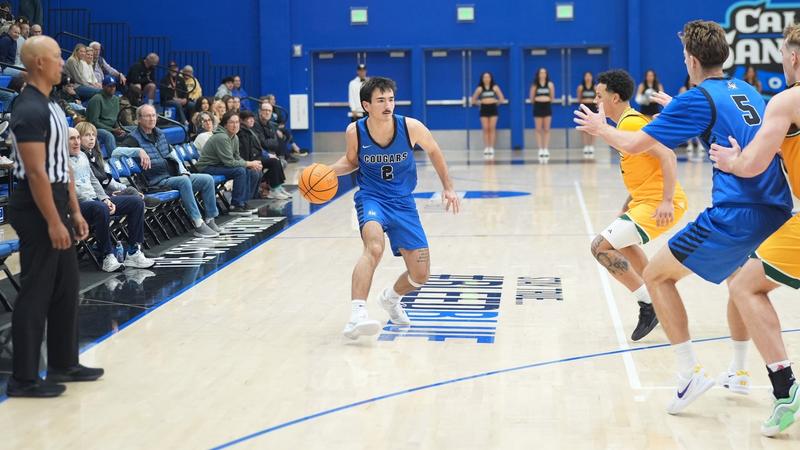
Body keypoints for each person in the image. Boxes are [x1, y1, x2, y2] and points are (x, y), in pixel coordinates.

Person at [575, 20, 793, 415]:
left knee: (658, 276)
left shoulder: (699, 97)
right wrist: (678, 108)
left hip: (735, 212)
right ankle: (740, 372)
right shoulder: (746, 90)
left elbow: (636, 143)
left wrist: (602, 128)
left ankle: (688, 374)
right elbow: (730, 121)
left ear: (691, 60)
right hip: (778, 207)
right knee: (740, 281)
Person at [708, 22, 800, 437]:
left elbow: (752, 164)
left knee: (745, 286)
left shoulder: (786, 101)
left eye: (783, 52)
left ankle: (786, 391)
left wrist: (732, 163)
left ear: (793, 56)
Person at [6, 35, 103, 398]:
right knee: (36, 289)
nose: (62, 62)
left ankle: (65, 362)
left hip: (58, 199)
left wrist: (74, 210)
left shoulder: (52, 106)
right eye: (55, 57)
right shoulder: (28, 109)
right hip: (35, 206)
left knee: (65, 288)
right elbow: (36, 174)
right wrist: (52, 220)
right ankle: (24, 378)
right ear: (39, 64)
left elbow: (63, 168)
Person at [329, 76, 460, 339]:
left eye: (390, 99)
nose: (387, 105)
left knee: (421, 274)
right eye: (380, 100)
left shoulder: (410, 126)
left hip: (403, 202)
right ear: (367, 105)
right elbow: (352, 161)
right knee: (374, 247)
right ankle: (357, 315)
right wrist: (327, 172)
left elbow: (434, 151)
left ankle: (390, 298)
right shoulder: (355, 130)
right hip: (372, 198)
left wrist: (448, 187)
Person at [589, 69, 688, 341]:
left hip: (661, 202)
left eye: (600, 96)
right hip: (644, 200)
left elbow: (668, 157)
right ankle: (656, 296)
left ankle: (648, 303)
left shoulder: (630, 124)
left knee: (600, 246)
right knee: (619, 243)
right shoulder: (625, 125)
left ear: (616, 98)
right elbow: (644, 172)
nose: (596, 102)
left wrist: (667, 200)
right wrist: (626, 206)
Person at [116, 104, 221, 238]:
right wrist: (138, 151)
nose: (152, 118)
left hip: (173, 176)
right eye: (147, 116)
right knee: (183, 182)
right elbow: (115, 152)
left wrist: (184, 171)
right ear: (139, 120)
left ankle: (210, 219)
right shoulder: (133, 138)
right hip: (155, 182)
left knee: (207, 179)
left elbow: (173, 155)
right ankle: (198, 223)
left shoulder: (159, 134)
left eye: (154, 115)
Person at [67, 127, 155, 272]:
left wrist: (105, 198)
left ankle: (133, 252)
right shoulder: (58, 162)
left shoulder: (82, 156)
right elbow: (70, 191)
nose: (76, 142)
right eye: (72, 139)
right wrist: (101, 203)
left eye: (77, 138)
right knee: (100, 208)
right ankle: (107, 256)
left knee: (136, 202)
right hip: (77, 206)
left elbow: (94, 181)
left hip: (95, 201)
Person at [197, 111, 261, 214]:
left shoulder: (234, 137)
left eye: (237, 122)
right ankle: (236, 205)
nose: (235, 125)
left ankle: (243, 202)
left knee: (246, 169)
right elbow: (229, 162)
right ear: (225, 124)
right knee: (240, 171)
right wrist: (249, 163)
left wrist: (248, 164)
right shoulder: (221, 137)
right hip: (206, 167)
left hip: (218, 165)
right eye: (231, 122)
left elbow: (236, 157)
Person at [237, 110, 290, 200]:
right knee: (274, 162)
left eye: (252, 119)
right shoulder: (242, 133)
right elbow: (247, 151)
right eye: (248, 119)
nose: (251, 121)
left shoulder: (250, 130)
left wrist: (267, 155)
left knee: (276, 160)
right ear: (242, 120)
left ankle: (278, 187)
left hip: (256, 156)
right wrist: (255, 161)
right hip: (251, 159)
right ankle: (274, 189)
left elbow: (259, 147)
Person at [86, 75, 124, 153]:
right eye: (109, 86)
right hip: (96, 129)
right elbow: (94, 122)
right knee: (108, 135)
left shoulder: (116, 99)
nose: (112, 88)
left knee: (132, 130)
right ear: (103, 86)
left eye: (114, 86)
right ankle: (115, 159)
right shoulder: (97, 99)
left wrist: (119, 128)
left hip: (112, 128)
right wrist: (113, 130)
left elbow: (115, 119)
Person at [470, 71, 505, 156]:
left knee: (492, 128)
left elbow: (502, 99)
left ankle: (491, 147)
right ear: (482, 79)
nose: (486, 79)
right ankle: (486, 147)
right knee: (485, 128)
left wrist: (494, 102)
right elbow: (473, 100)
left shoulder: (495, 87)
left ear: (491, 78)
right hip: (484, 109)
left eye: (488, 77)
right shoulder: (480, 89)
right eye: (485, 77)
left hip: (493, 109)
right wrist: (481, 102)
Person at [530, 67, 554, 164]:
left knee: (547, 129)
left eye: (544, 73)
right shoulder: (535, 85)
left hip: (547, 106)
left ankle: (546, 148)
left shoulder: (550, 84)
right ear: (538, 74)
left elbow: (552, 97)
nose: (543, 74)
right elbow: (531, 98)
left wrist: (545, 100)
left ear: (546, 74)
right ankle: (540, 149)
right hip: (538, 107)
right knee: (538, 129)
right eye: (541, 73)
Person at [678, 76, 703, 161]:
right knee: (687, 130)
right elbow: (680, 101)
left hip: (697, 112)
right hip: (687, 112)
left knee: (699, 129)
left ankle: (700, 144)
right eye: (690, 79)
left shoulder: (699, 89)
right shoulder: (683, 89)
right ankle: (690, 144)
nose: (691, 81)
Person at [577, 71, 597, 159]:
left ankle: (591, 146)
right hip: (584, 108)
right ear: (584, 78)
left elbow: (597, 99)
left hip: (593, 109)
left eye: (589, 76)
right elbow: (579, 99)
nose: (588, 78)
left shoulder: (595, 87)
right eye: (586, 76)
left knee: (593, 128)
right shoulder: (581, 87)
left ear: (592, 77)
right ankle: (586, 146)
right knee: (585, 128)